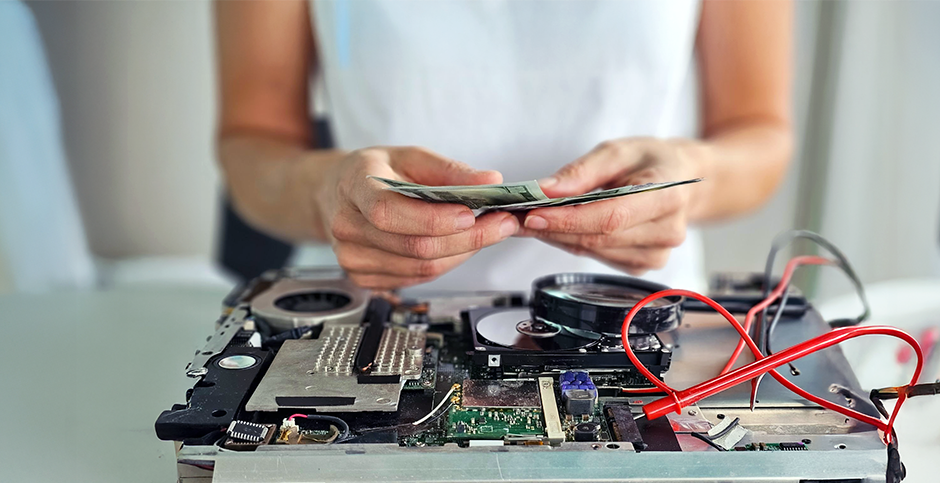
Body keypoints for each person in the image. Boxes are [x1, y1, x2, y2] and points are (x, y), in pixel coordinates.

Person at [217, 0, 792, 292]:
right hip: (367, 312)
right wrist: (325, 193)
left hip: (636, 320)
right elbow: (253, 140)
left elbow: (758, 131)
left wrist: (687, 182)